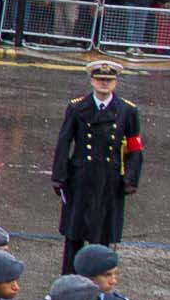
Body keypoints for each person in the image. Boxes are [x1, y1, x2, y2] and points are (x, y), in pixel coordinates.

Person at [51, 59, 144, 274]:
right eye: (100, 80)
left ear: (116, 83)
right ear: (92, 81)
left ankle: (100, 285)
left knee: (103, 236)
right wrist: (59, 175)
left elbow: (134, 147)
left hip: (110, 181)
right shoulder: (77, 107)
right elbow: (64, 143)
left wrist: (130, 179)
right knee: (74, 235)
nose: (104, 84)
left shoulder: (127, 111)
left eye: (109, 81)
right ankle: (69, 280)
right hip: (81, 179)